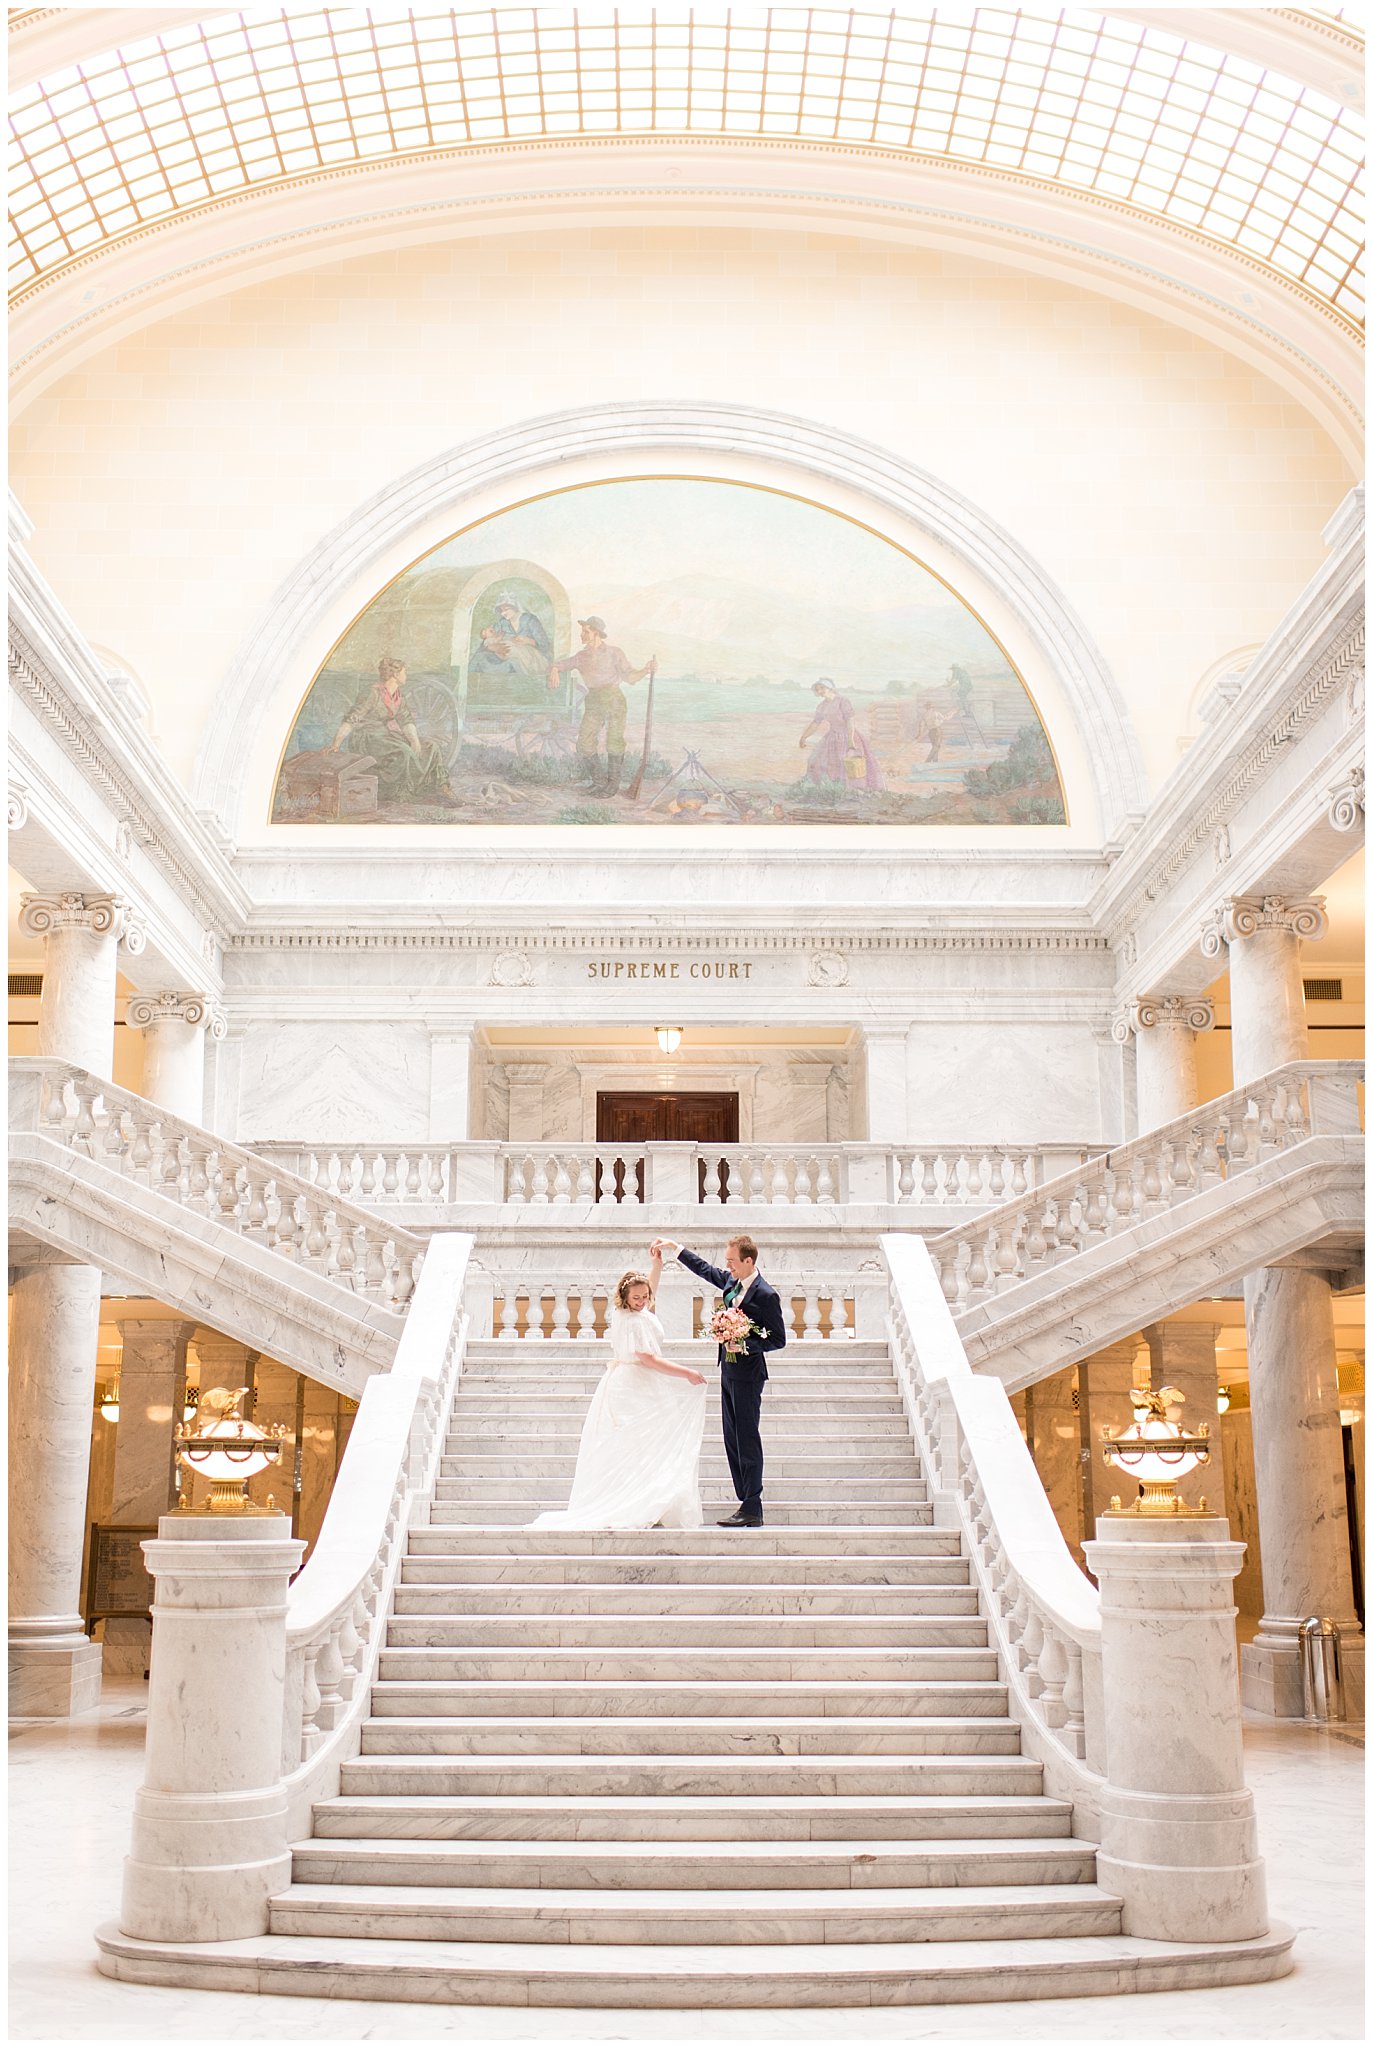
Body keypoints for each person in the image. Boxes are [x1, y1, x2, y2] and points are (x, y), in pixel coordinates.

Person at [529, 1252, 707, 1531]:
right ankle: (636, 1502)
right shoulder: (633, 1320)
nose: (643, 1301)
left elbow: (651, 1289)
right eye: (637, 1298)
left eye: (645, 1297)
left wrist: (656, 1265)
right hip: (634, 1384)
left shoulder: (633, 1311)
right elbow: (648, 1358)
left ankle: (651, 1500)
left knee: (649, 1445)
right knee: (637, 1444)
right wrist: (686, 1373)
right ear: (625, 1297)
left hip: (637, 1381)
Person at [653, 1234, 786, 1528]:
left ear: (748, 1261)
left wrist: (746, 1343)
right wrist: (677, 1249)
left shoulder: (766, 1295)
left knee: (747, 1437)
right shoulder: (731, 1283)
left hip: (749, 1375)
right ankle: (746, 1500)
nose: (727, 1266)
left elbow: (778, 1339)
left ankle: (753, 1505)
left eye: (732, 1262)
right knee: (732, 1439)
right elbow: (704, 1269)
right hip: (727, 1370)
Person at [546, 614, 656, 797]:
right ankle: (599, 782)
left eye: (585, 631)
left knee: (614, 742)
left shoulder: (614, 653)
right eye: (582, 631)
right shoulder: (582, 656)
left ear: (596, 633)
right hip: (593, 700)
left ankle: (612, 786)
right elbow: (562, 664)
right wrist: (555, 670)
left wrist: (646, 670)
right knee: (584, 744)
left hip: (613, 698)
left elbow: (629, 677)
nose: (582, 635)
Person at [331, 656, 457, 804]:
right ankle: (403, 792)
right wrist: (336, 744)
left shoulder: (398, 696)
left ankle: (441, 787)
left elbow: (406, 720)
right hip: (366, 738)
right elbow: (351, 719)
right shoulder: (372, 693)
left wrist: (415, 741)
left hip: (385, 735)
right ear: (395, 675)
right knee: (404, 751)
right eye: (404, 672)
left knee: (431, 746)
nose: (406, 676)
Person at [798, 678, 883, 793]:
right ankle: (830, 790)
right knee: (816, 760)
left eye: (822, 687)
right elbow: (815, 723)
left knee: (850, 764)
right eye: (818, 689)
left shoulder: (842, 701)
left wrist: (850, 739)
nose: (820, 691)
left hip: (848, 735)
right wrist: (804, 737)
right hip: (832, 737)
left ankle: (856, 790)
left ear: (830, 687)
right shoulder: (822, 706)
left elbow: (850, 720)